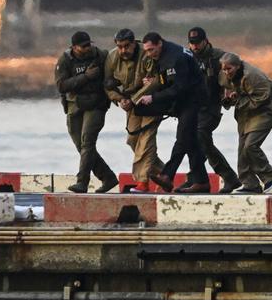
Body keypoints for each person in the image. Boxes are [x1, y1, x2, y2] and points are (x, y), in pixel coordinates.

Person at [133, 31, 210, 193]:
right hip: (183, 100)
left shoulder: (175, 57)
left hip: (193, 99)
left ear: (160, 43)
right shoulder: (162, 55)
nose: (148, 53)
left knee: (183, 137)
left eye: (151, 50)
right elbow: (166, 81)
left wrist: (153, 97)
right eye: (146, 50)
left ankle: (167, 175)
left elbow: (178, 88)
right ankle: (201, 181)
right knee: (190, 140)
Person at [54, 31, 118, 193]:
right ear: (74, 47)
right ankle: (108, 177)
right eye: (83, 46)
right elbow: (62, 85)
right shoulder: (65, 60)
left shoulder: (101, 56)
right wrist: (86, 77)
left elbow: (111, 77)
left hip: (96, 104)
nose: (88, 48)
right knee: (80, 146)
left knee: (87, 141)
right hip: (74, 105)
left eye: (89, 44)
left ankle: (82, 182)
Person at [104, 28, 166, 192]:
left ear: (134, 43)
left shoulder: (147, 55)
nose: (123, 50)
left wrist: (133, 99)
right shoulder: (112, 58)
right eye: (120, 47)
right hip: (130, 104)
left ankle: (142, 182)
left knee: (146, 140)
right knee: (133, 141)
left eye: (126, 46)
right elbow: (108, 85)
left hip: (151, 101)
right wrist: (120, 99)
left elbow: (153, 82)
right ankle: (165, 174)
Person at [186, 27, 242, 194]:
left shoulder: (218, 57)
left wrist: (230, 91)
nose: (194, 47)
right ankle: (195, 179)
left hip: (211, 107)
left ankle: (229, 177)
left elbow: (235, 72)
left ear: (205, 41)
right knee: (190, 140)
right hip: (193, 107)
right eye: (192, 43)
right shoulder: (186, 57)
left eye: (198, 43)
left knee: (201, 136)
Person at [219, 52, 272, 194]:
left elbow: (263, 97)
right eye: (224, 69)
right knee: (242, 149)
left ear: (238, 66)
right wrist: (229, 98)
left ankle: (269, 176)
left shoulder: (253, 75)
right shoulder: (224, 75)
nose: (226, 72)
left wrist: (239, 98)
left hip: (265, 111)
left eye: (229, 69)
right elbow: (227, 89)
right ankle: (249, 183)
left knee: (251, 145)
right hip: (245, 114)